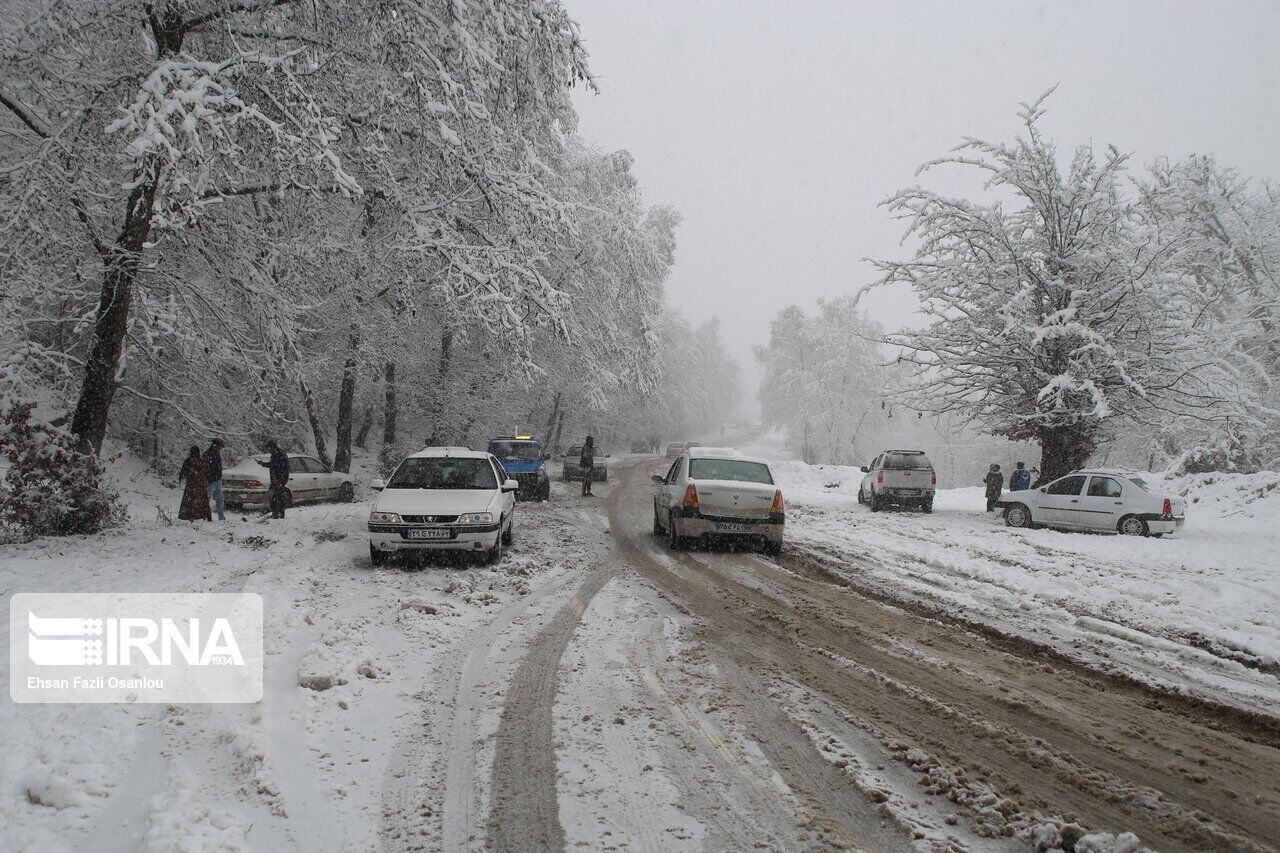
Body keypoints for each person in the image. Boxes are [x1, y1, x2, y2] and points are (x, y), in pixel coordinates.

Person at [177, 446, 212, 522]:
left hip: (191, 486)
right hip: (201, 486)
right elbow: (208, 473)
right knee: (202, 501)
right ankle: (204, 515)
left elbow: (183, 473)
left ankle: (188, 515)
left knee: (189, 501)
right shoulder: (203, 462)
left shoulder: (188, 461)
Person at [258, 440, 291, 518]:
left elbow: (285, 468)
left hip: (280, 479)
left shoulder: (281, 454)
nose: (268, 451)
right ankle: (276, 512)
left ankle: (279, 513)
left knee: (278, 496)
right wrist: (263, 464)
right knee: (274, 496)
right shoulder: (274, 455)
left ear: (274, 447)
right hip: (275, 479)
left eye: (269, 449)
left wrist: (280, 479)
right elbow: (272, 465)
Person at [203, 438, 226, 521]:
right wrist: (209, 479)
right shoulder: (208, 454)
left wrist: (219, 477)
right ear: (215, 446)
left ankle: (221, 516)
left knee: (220, 499)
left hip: (217, 480)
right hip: (211, 481)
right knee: (207, 498)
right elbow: (206, 468)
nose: (220, 448)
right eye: (220, 446)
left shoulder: (216, 454)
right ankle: (205, 515)